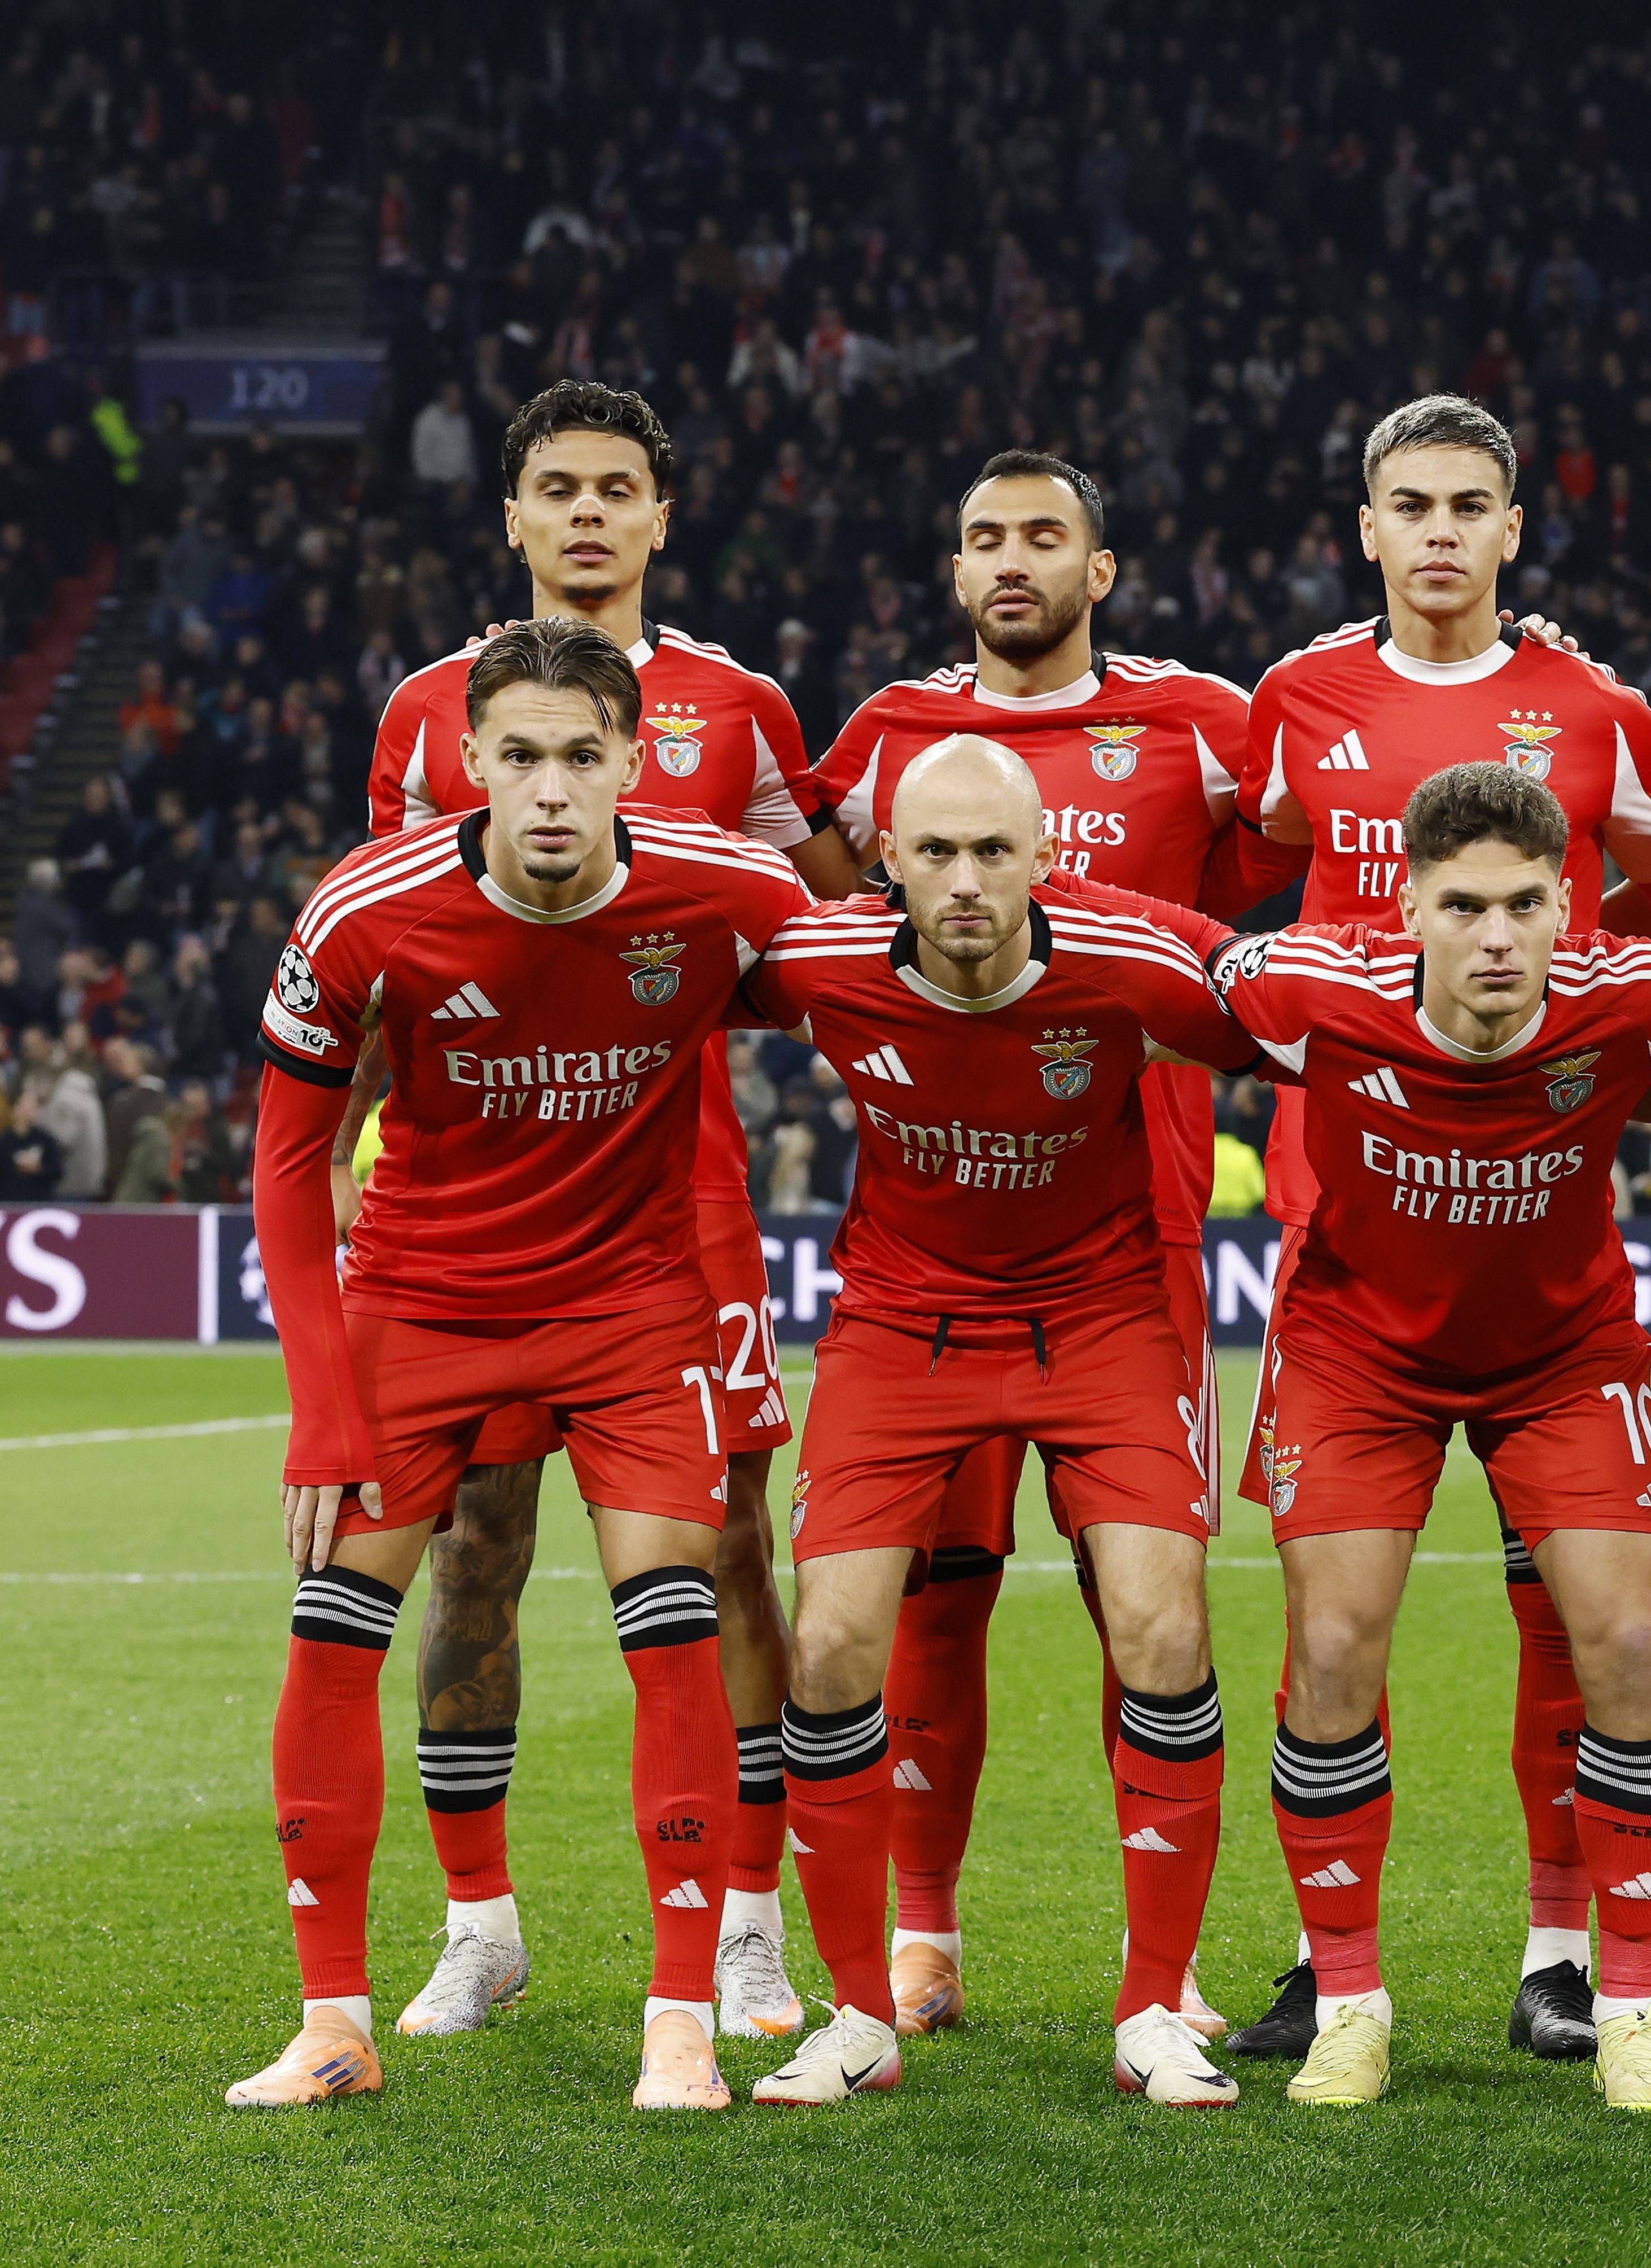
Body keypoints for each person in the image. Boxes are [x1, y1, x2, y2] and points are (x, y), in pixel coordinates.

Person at [234, 620, 809, 2111]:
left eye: (580, 756)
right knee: (332, 1629)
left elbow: (884, 995)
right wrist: (321, 1413)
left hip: (630, 1305)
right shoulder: (365, 908)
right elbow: (287, 1165)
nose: (551, 788)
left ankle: (678, 2018)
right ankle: (333, 2022)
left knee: (674, 1618)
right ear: (469, 764)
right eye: (521, 756)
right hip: (419, 1300)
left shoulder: (732, 887)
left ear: (631, 763)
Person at [360, 380, 864, 2048]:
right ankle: (478, 1926)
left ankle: (744, 1928)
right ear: (510, 514)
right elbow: (391, 959)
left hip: (677, 1203)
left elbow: (823, 931)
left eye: (617, 487)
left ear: (661, 516)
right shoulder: (429, 708)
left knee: (728, 1550)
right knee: (475, 1548)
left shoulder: (741, 707)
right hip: (476, 1201)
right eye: (558, 487)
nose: (587, 512)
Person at [1223, 395, 1651, 2065]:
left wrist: (1590, 1037)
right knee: (1334, 1619)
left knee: (1571, 1619)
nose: (1438, 532)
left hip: (1537, 1200)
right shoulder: (1295, 699)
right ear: (1366, 527)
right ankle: (1328, 1965)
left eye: (1467, 506)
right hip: (1351, 1204)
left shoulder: (1595, 708)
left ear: (1513, 528)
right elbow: (1244, 865)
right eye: (1410, 505)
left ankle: (1564, 1958)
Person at [730, 739, 1263, 2107]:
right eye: (935, 852)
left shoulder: (1133, 959)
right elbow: (649, 968)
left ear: (1044, 857)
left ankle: (1154, 2005)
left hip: (1100, 1317)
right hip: (903, 1323)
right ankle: (857, 2015)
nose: (965, 880)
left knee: (1161, 1626)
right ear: (886, 863)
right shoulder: (818, 959)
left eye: (992, 851)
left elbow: (1304, 1015)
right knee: (832, 1642)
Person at [808, 448, 1264, 2039]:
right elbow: (805, 917)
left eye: (1044, 536)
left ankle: (1164, 1966)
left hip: (1131, 1239)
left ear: (1099, 568)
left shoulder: (1204, 723)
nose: (1014, 560)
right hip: (930, 1241)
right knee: (931, 1599)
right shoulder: (883, 734)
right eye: (986, 537)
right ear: (954, 571)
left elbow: (1309, 879)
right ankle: (920, 1937)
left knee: (1144, 1603)